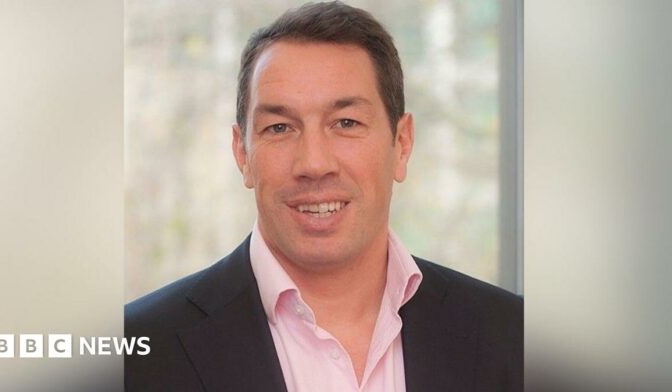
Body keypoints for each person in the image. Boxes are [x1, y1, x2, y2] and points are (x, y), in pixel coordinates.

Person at [125, 2, 523, 391]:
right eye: (280, 128)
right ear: (242, 153)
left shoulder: (515, 338)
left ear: (401, 144)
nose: (314, 163)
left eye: (346, 123)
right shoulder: (135, 357)